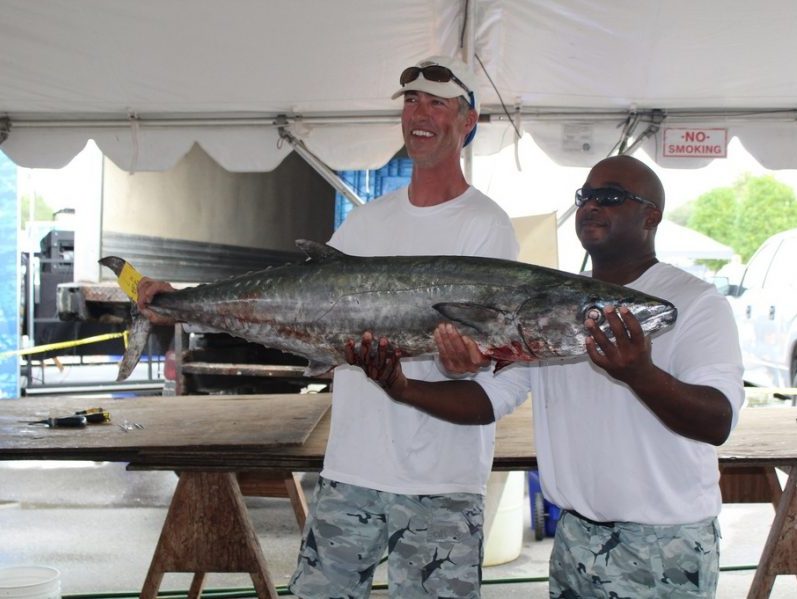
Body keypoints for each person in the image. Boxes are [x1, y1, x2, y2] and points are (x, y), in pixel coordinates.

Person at [136, 55, 529, 598]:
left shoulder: (486, 226)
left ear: (468, 122)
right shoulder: (367, 222)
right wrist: (179, 302)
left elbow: (488, 354)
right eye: (411, 101)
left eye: (438, 103)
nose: (420, 113)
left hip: (441, 478)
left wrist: (469, 363)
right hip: (353, 469)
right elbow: (302, 310)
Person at [438, 154, 745, 598]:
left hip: (662, 544)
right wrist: (399, 384)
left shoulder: (694, 302)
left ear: (651, 216)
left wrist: (641, 375)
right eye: (586, 196)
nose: (592, 206)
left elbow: (718, 422)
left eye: (611, 196)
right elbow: (490, 400)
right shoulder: (553, 307)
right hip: (573, 539)